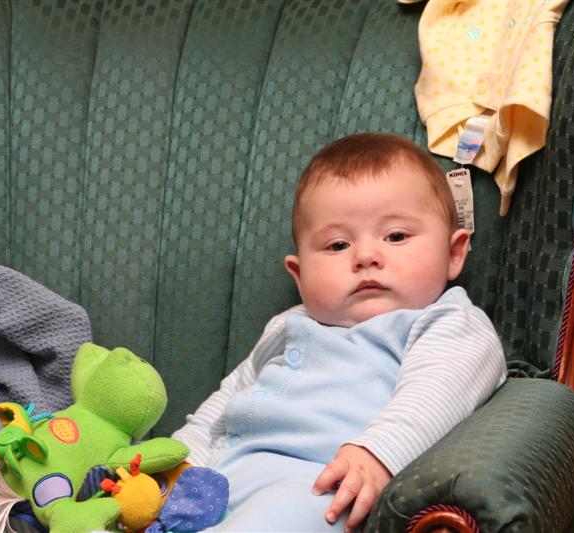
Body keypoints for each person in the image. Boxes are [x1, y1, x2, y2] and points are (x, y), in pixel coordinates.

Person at [173, 133, 507, 532]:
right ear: (300, 275)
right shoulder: (289, 324)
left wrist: (377, 453)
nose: (365, 256)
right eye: (337, 245)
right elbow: (227, 399)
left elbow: (438, 393)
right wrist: (181, 458)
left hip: (319, 486)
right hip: (216, 481)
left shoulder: (445, 322)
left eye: (396, 236)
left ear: (453, 253)